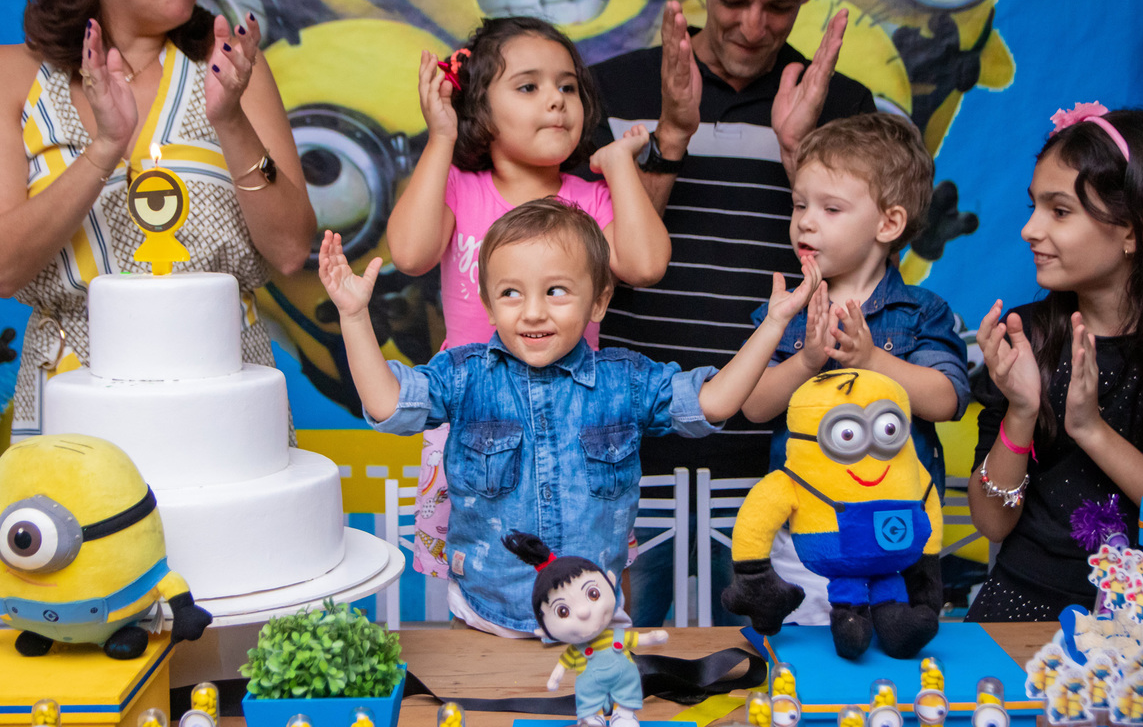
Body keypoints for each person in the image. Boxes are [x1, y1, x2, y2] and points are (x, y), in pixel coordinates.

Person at [319, 198, 820, 635]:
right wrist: (354, 316)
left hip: (596, 623)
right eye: (511, 293)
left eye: (555, 291)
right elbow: (388, 405)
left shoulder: (626, 381)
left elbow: (713, 403)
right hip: (485, 621)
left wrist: (774, 325)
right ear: (490, 305)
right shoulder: (465, 375)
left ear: (599, 299)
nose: (532, 312)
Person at [588, 0, 875, 627]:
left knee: (765, 674)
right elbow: (594, 268)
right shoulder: (611, 90)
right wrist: (670, 140)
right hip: (625, 450)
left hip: (783, 455)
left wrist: (798, 153)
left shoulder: (844, 106)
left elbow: (867, 278)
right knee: (622, 669)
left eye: (778, 6)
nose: (753, 27)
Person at [0, 0, 315, 440]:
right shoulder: (1, 76)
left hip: (223, 402)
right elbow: (0, 267)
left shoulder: (231, 72)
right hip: (72, 403)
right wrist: (105, 148)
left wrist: (231, 122)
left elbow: (288, 249)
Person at [385, 16, 671, 578]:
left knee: (593, 576)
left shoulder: (591, 199)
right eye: (529, 86)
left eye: (568, 87)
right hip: (474, 422)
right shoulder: (458, 189)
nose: (557, 101)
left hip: (579, 422)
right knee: (474, 582)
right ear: (479, 111)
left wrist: (619, 170)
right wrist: (441, 136)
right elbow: (410, 253)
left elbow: (646, 264)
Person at [742, 112, 970, 623]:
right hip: (808, 536)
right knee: (805, 668)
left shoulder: (919, 312)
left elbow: (948, 399)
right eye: (800, 204)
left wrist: (873, 360)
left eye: (830, 208)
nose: (805, 220)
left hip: (901, 538)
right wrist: (805, 361)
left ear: (888, 223)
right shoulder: (784, 311)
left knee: (896, 664)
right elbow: (754, 406)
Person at [966, 105, 1143, 622]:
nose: (1030, 229)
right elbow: (991, 523)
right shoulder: (1027, 338)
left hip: (1135, 623)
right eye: (1033, 207)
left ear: (1135, 230)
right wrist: (1021, 411)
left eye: (1060, 211)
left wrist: (1090, 428)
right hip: (1022, 603)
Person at [502, 530, 669, 727]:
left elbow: (637, 640)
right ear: (543, 627)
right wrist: (555, 678)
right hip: (591, 688)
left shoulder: (615, 636)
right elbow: (562, 665)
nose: (583, 612)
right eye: (563, 611)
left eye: (593, 594)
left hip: (624, 683)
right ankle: (591, 717)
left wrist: (651, 637)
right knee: (589, 697)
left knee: (626, 694)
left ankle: (623, 715)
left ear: (610, 582)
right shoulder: (575, 651)